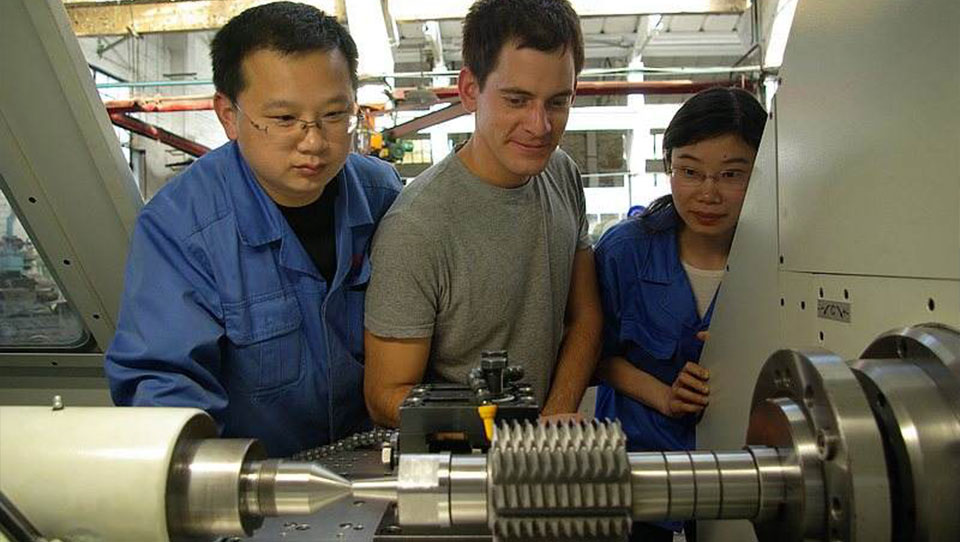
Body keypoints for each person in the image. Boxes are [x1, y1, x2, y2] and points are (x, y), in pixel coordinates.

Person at [104, 2, 402, 458]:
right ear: (228, 114)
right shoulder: (180, 228)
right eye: (284, 119)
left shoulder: (384, 197)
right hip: (249, 484)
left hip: (379, 465)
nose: (314, 141)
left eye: (334, 115)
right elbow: (163, 387)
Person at [363, 0, 602, 427]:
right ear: (470, 90)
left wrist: (553, 418)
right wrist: (502, 432)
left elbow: (585, 318)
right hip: (460, 458)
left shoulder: (562, 173)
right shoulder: (416, 228)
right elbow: (385, 397)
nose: (540, 126)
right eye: (517, 100)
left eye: (557, 102)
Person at [593, 86, 767, 541]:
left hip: (746, 471)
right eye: (690, 171)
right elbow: (596, 356)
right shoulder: (625, 251)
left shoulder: (782, 262)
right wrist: (664, 396)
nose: (708, 193)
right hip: (637, 470)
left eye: (732, 175)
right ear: (667, 163)